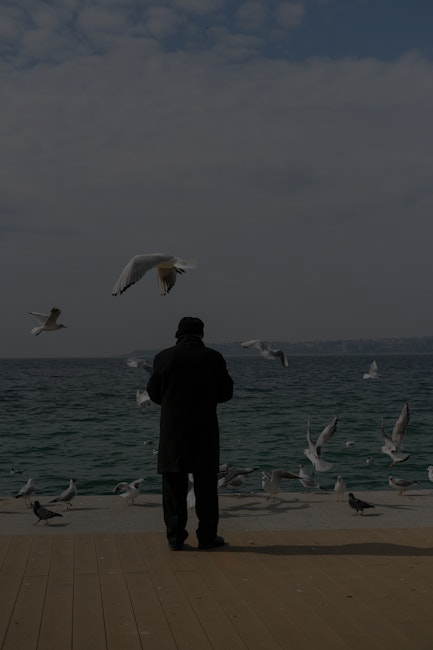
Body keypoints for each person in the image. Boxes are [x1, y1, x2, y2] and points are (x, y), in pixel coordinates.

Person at [146, 316, 234, 550]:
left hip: (173, 432)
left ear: (178, 334)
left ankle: (175, 538)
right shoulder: (213, 357)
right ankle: (207, 537)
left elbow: (154, 394)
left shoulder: (164, 357)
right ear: (201, 334)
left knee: (173, 487)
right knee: (206, 488)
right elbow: (226, 393)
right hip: (204, 431)